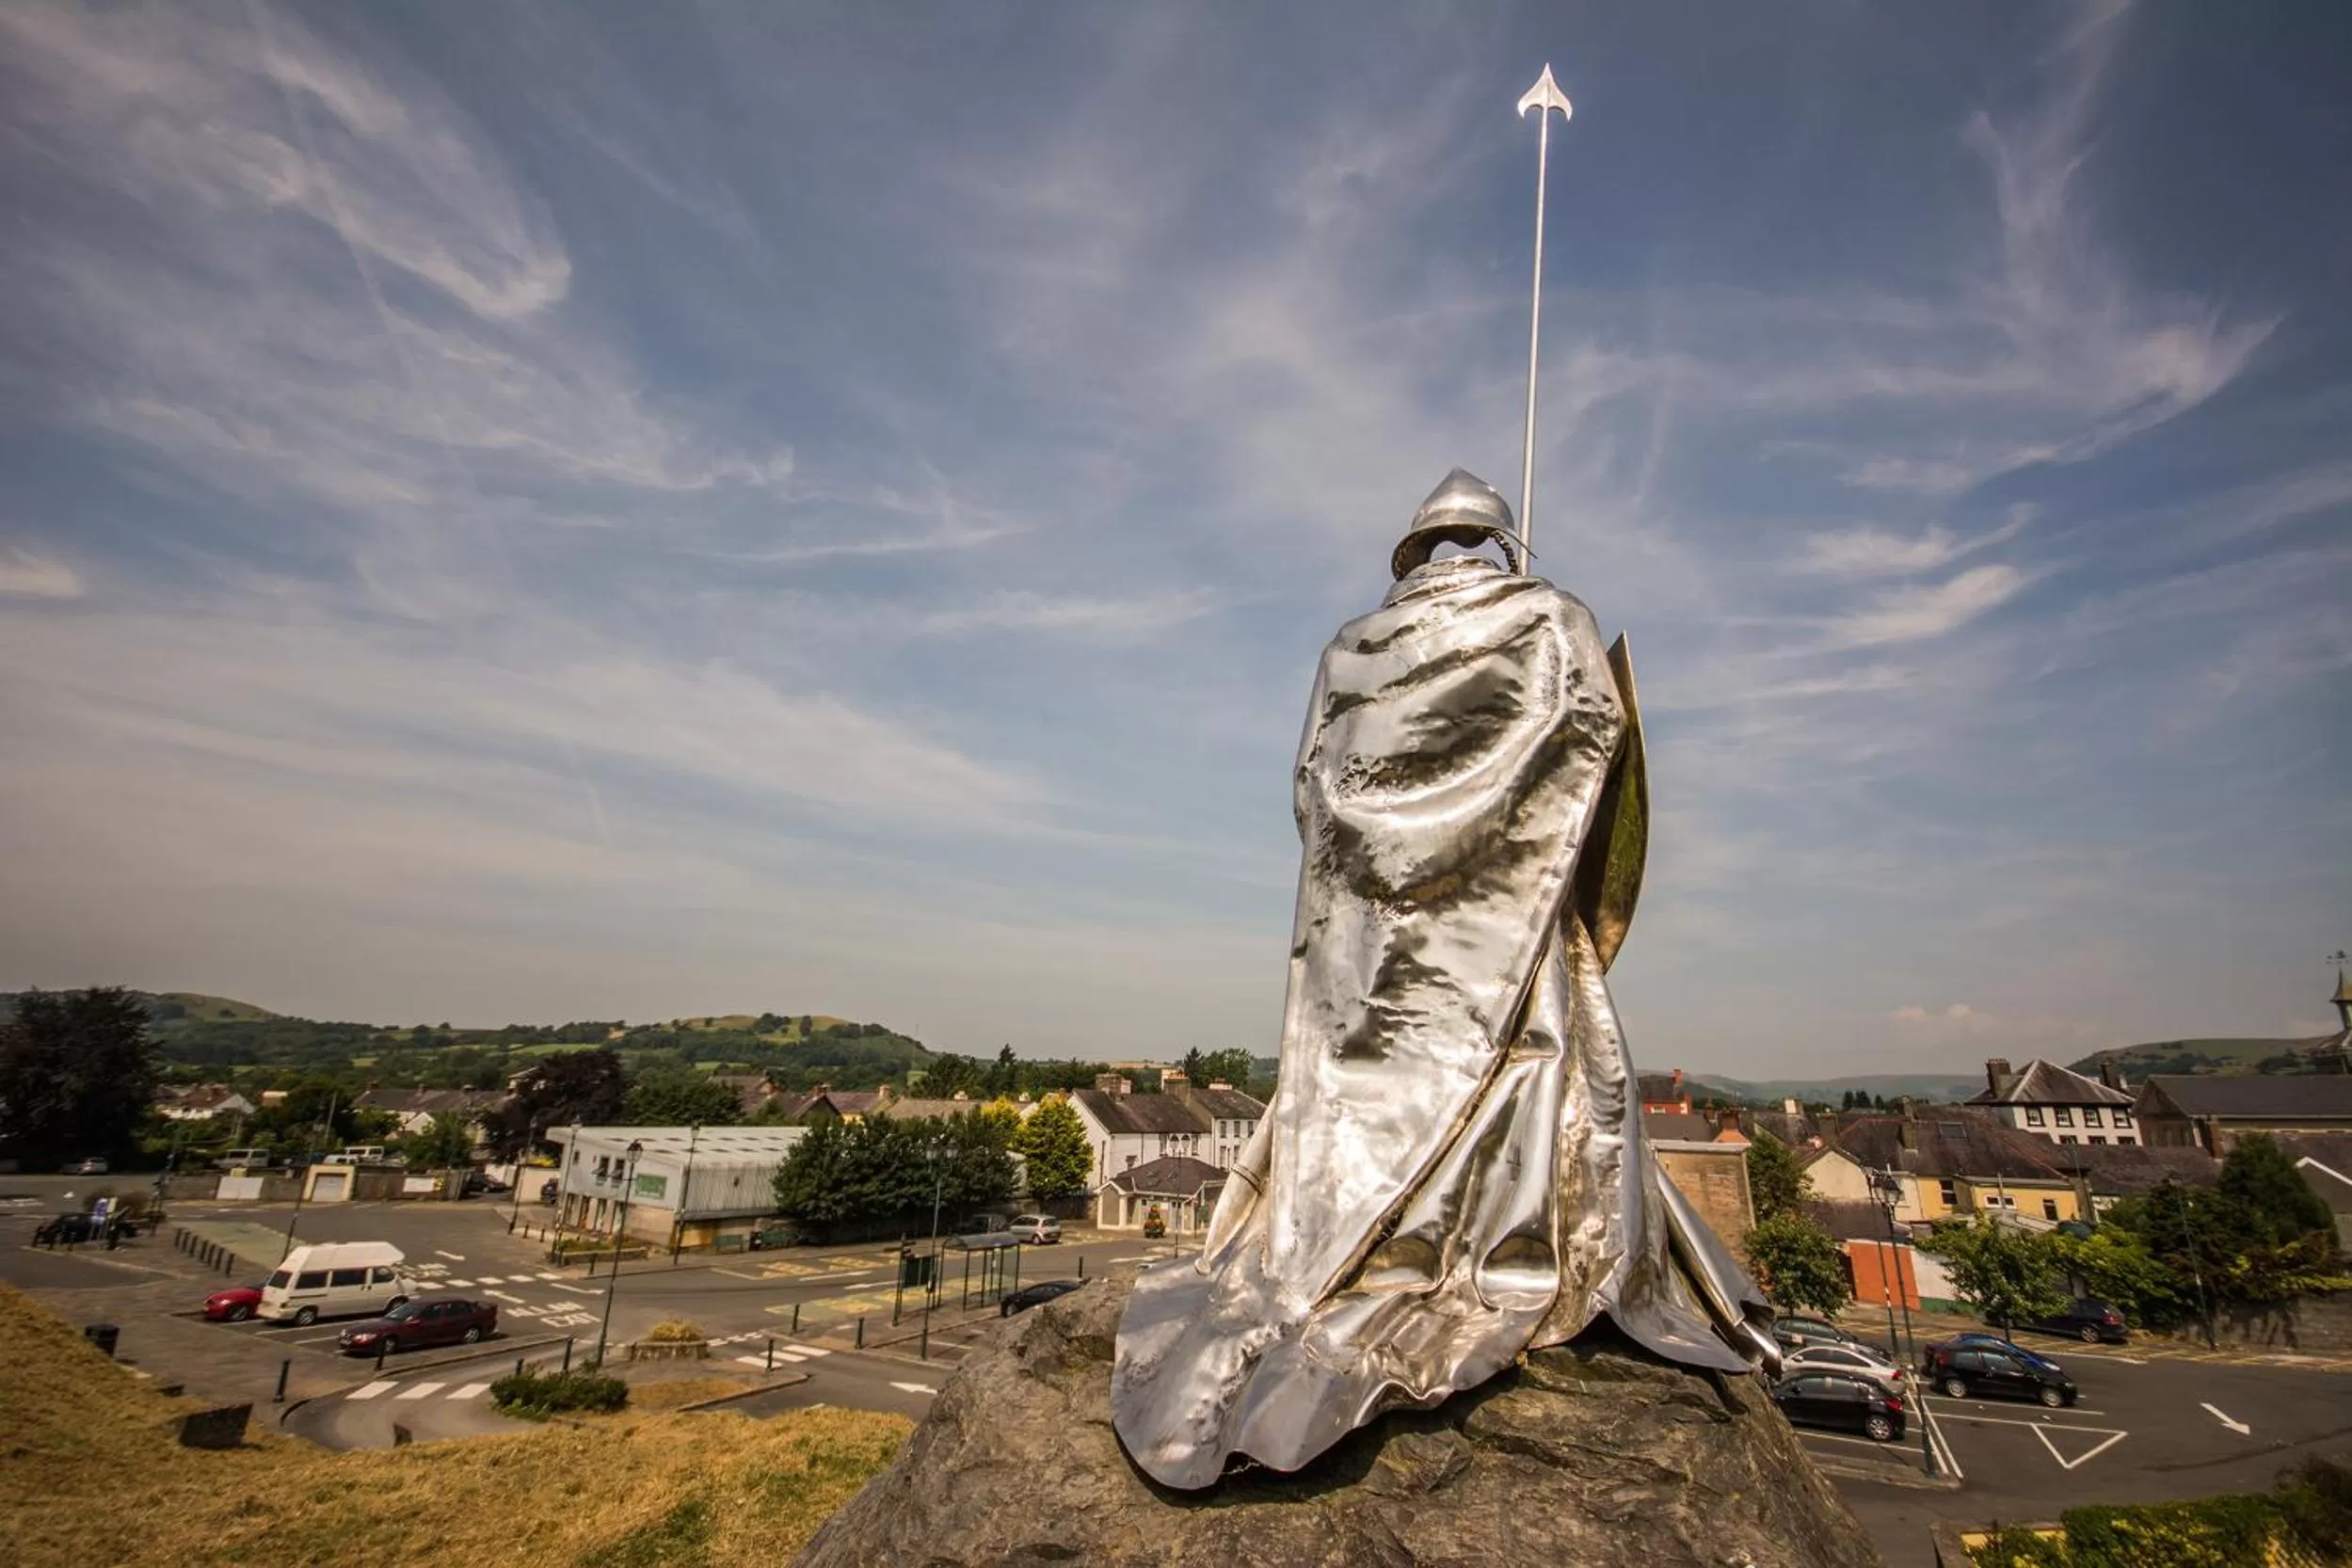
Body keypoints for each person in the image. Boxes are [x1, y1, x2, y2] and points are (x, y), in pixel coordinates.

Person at [1112, 471, 1775, 1490]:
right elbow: (1596, 740)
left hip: (1367, 938)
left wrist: (1388, 870)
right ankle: (1498, 1249)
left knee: (1361, 1088)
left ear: (1414, 550)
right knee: (1530, 1059)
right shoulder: (1551, 619)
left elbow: (1312, 787)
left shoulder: (1350, 647)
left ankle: (1359, 1247)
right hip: (1506, 915)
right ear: (1502, 542)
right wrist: (1493, 844)